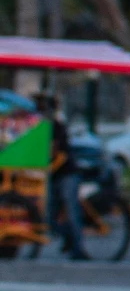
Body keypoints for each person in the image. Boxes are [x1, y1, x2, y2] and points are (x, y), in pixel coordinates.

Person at [37, 90, 86, 261]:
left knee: (71, 209)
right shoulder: (38, 127)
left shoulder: (56, 127)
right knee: (48, 216)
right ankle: (68, 237)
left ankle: (79, 249)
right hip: (53, 175)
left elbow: (54, 151)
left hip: (67, 174)